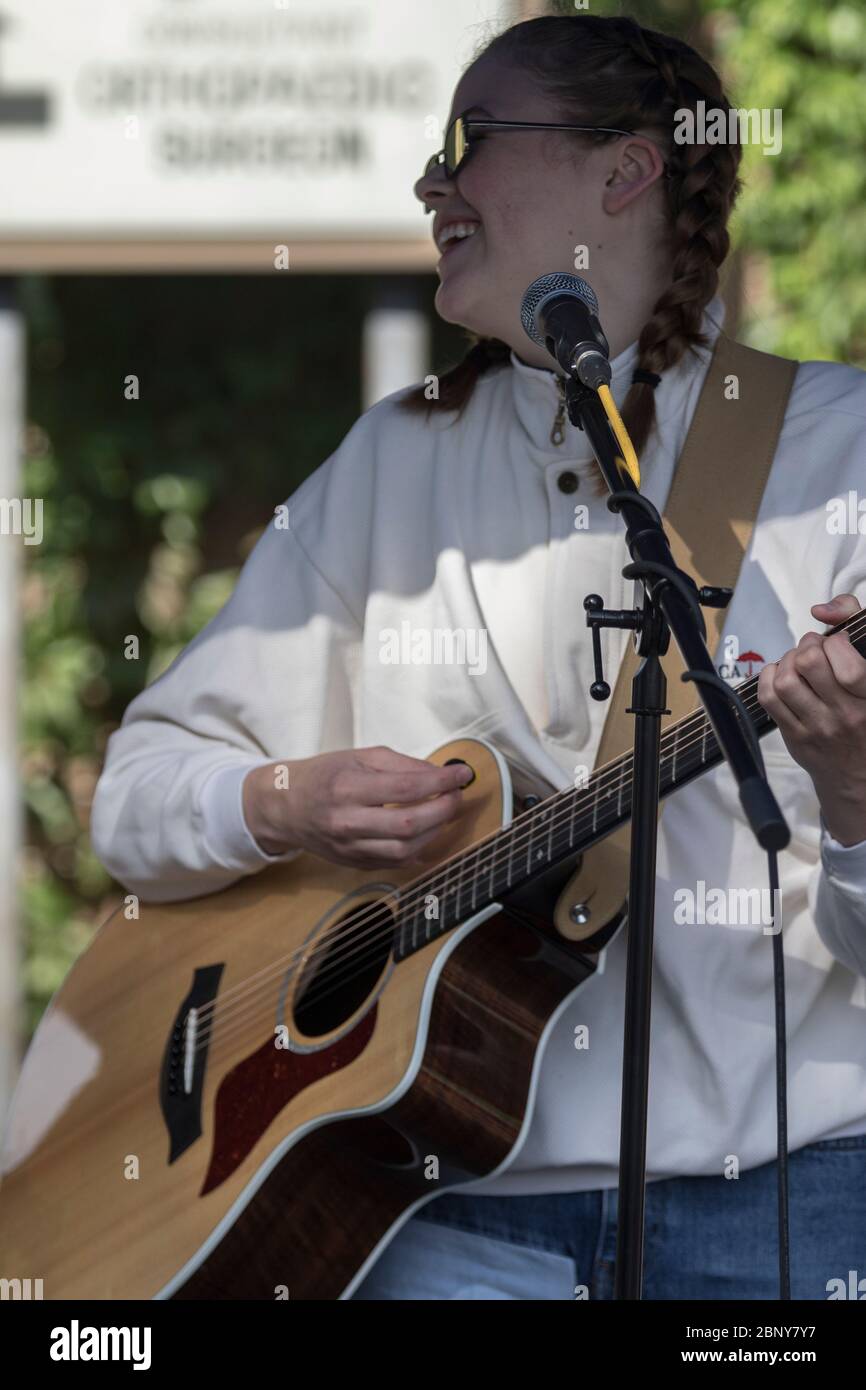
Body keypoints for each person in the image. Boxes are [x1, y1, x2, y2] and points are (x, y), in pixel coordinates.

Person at [90, 13, 866, 1300]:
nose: (427, 183)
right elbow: (135, 800)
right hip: (434, 1211)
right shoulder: (391, 459)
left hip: (784, 1211)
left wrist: (851, 794)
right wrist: (283, 800)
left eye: (467, 141)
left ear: (622, 172)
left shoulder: (837, 449)